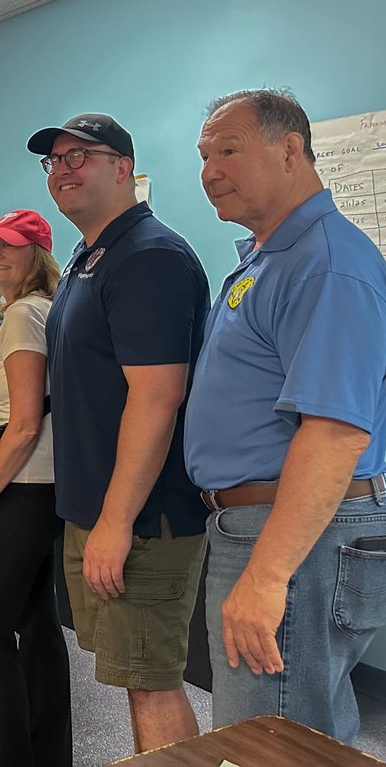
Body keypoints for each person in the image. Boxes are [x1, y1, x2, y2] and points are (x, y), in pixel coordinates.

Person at [187, 89, 386, 743]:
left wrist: (268, 574)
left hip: (291, 532)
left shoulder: (326, 261)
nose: (210, 170)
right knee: (295, 732)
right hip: (260, 523)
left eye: (229, 150)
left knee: (272, 740)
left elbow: (334, 432)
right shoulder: (269, 257)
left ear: (291, 150)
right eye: (204, 155)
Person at [30, 114, 210, 754]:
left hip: (142, 516)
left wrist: (114, 521)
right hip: (98, 508)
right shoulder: (91, 254)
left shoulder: (149, 256)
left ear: (124, 169)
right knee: (137, 678)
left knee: (153, 681)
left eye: (83, 155)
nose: (65, 168)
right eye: (55, 160)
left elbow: (158, 398)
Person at [0, 209, 71, 767]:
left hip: (20, 488)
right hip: (36, 485)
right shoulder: (34, 311)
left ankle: (8, 756)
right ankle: (45, 754)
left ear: (39, 255)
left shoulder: (27, 316)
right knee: (36, 621)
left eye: (10, 246)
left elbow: (26, 422)